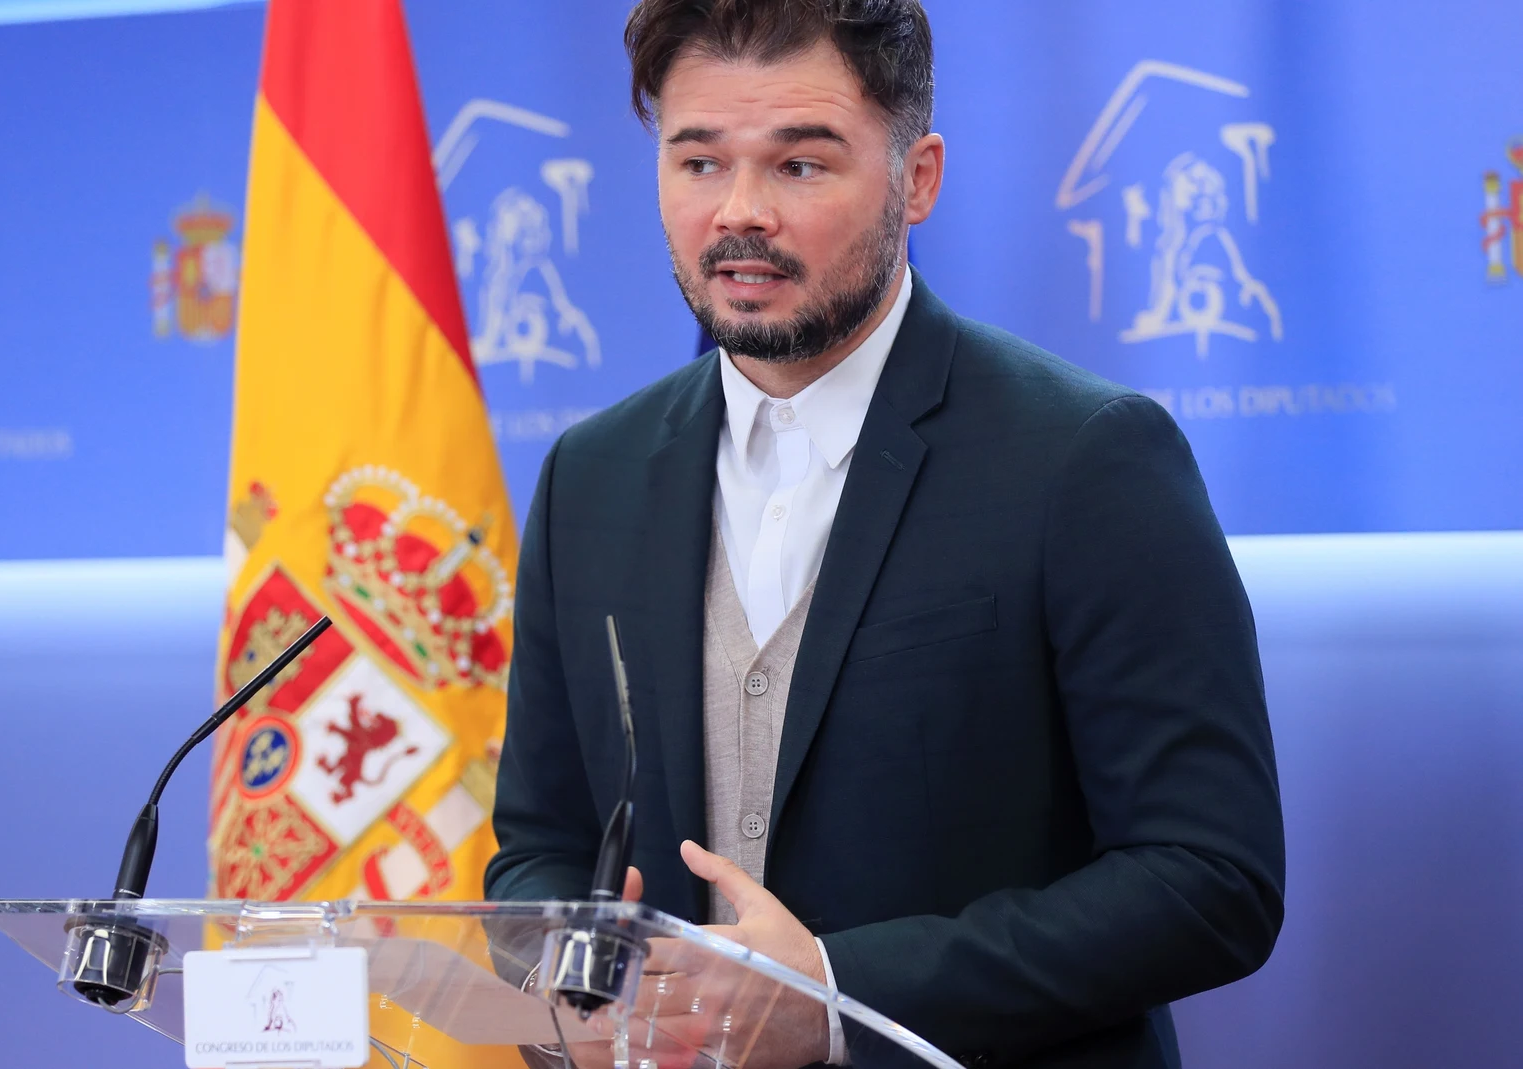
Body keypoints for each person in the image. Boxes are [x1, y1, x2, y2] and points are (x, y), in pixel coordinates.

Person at [484, 2, 1286, 1067]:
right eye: (697, 163)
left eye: (800, 167)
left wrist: (832, 994)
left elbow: (1209, 877)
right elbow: (536, 848)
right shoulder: (590, 473)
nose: (739, 212)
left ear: (918, 178)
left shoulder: (1085, 456)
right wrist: (571, 978)